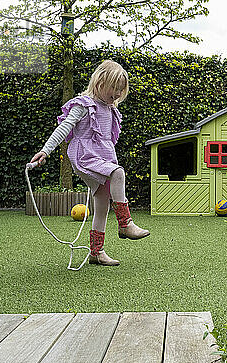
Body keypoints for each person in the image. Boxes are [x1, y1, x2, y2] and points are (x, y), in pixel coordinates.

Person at [30, 60, 149, 267]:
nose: (118, 94)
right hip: (85, 155)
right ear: (100, 81)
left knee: (102, 204)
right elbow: (65, 127)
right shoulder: (83, 104)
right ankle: (125, 224)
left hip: (103, 155)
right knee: (118, 173)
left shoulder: (109, 108)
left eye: (121, 90)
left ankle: (96, 252)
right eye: (114, 88)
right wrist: (45, 150)